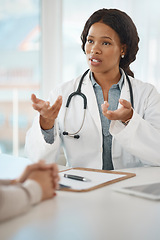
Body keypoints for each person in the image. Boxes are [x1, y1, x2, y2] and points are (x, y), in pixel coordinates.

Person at [25, 8, 160, 170]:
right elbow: (37, 159)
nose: (94, 49)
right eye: (90, 41)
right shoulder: (63, 94)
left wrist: (130, 119)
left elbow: (157, 155)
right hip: (83, 188)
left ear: (123, 49)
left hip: (132, 190)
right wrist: (46, 124)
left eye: (105, 42)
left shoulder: (147, 94)